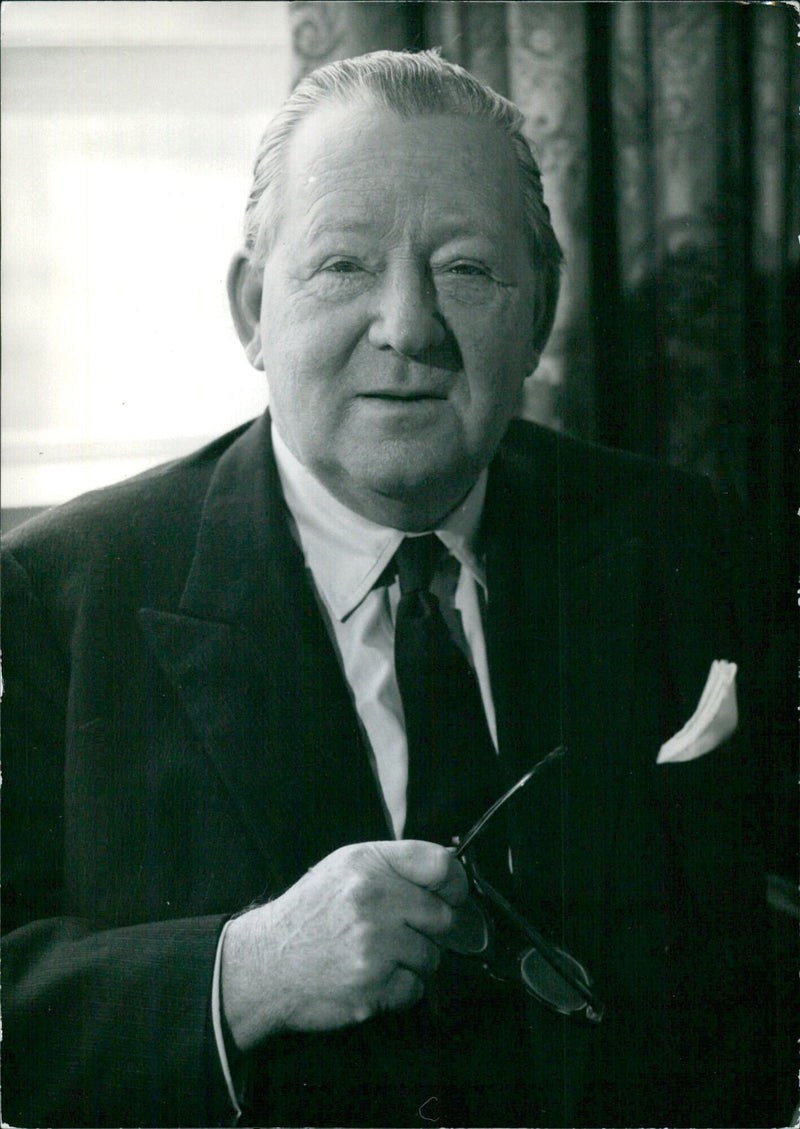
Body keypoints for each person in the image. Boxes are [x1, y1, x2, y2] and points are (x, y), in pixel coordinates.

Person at [1, 49, 779, 1128]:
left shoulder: (677, 537)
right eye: (341, 266)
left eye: (465, 269)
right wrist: (243, 973)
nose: (407, 326)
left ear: (540, 309)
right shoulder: (57, 596)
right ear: (250, 313)